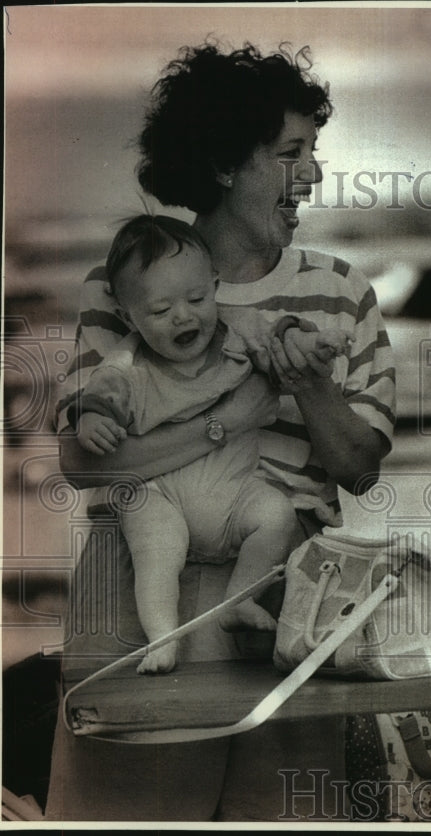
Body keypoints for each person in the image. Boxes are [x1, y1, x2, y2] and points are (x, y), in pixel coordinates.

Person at [48, 42, 395, 821]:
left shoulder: (341, 290)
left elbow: (362, 466)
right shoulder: (122, 283)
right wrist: (223, 425)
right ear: (222, 166)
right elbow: (80, 458)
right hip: (134, 584)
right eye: (289, 153)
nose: (311, 174)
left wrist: (307, 387)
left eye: (313, 152)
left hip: (279, 590)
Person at [75, 214, 351, 674]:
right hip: (161, 494)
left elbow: (279, 332)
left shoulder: (235, 331)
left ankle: (239, 600)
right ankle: (162, 637)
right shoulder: (126, 364)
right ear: (129, 317)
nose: (184, 316)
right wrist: (91, 421)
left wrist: (312, 342)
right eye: (160, 312)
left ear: (215, 287)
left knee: (275, 514)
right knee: (154, 555)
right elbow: (100, 401)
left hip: (233, 490)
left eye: (197, 298)